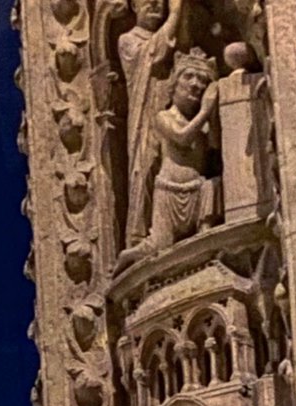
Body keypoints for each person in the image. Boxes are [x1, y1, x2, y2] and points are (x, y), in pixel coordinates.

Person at [118, 0, 183, 250]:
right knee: (145, 165)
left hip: (169, 110)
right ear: (134, 6)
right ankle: (137, 235)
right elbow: (153, 53)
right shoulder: (127, 40)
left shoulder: (172, 34)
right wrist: (176, 13)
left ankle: (166, 228)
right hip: (145, 114)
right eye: (147, 0)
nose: (155, 4)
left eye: (160, 1)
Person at [146, 48, 221, 252]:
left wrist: (213, 115)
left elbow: (215, 149)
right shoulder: (164, 117)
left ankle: (205, 228)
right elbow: (182, 138)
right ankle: (125, 260)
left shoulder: (203, 124)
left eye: (203, 80)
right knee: (157, 248)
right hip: (168, 191)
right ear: (174, 83)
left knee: (214, 185)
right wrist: (205, 111)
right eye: (188, 76)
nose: (196, 85)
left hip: (198, 190)